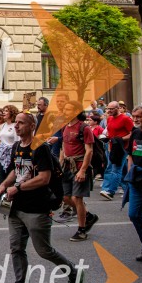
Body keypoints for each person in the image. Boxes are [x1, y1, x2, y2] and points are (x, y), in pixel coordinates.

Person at [0, 112, 85, 283]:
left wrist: (16, 187)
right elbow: (15, 170)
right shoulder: (17, 146)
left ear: (32, 126)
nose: (16, 126)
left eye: (21, 123)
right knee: (16, 248)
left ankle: (73, 272)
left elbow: (44, 178)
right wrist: (3, 185)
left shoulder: (40, 148)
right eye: (16, 123)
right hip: (15, 207)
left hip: (36, 207)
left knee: (44, 250)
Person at [58, 102, 99, 240]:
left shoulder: (84, 128)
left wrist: (82, 171)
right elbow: (63, 148)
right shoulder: (65, 127)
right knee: (64, 197)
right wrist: (60, 164)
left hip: (79, 165)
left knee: (77, 198)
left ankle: (81, 230)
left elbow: (89, 151)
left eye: (68, 109)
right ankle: (88, 216)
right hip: (67, 166)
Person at [126, 105, 142, 266]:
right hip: (136, 178)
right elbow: (130, 155)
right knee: (134, 214)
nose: (135, 119)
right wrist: (130, 173)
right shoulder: (135, 132)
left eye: (139, 116)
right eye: (133, 116)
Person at [101, 100, 134, 200]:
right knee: (122, 170)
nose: (109, 111)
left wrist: (121, 139)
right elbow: (111, 132)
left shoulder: (125, 119)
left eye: (111, 109)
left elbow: (132, 133)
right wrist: (106, 137)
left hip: (122, 148)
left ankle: (110, 192)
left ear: (117, 108)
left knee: (116, 169)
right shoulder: (110, 118)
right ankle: (128, 191)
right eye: (108, 109)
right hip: (112, 147)